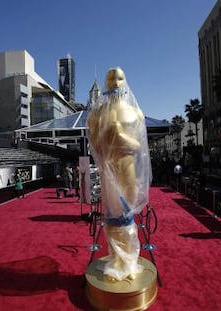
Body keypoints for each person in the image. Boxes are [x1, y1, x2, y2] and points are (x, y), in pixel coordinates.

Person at [87, 67, 151, 281]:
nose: (114, 81)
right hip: (109, 169)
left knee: (127, 215)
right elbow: (95, 146)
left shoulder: (136, 113)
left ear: (125, 81)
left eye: (119, 77)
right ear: (105, 82)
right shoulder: (97, 113)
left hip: (128, 167)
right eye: (110, 78)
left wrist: (120, 135)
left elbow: (139, 146)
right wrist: (107, 137)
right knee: (113, 215)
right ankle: (116, 259)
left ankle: (129, 260)